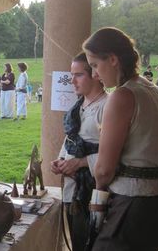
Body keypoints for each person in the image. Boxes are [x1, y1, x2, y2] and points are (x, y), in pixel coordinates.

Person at [83, 27, 158, 250]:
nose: (94, 74)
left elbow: (104, 170)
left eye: (95, 65)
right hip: (155, 202)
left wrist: (98, 199)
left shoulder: (122, 95)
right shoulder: (155, 91)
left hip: (131, 203)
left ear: (113, 59)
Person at [51, 52, 107, 251]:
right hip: (71, 189)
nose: (72, 80)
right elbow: (71, 140)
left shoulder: (107, 107)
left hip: (92, 192)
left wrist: (81, 163)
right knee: (76, 242)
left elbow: (117, 155)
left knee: (89, 243)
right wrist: (61, 161)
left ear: (95, 75)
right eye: (71, 74)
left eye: (79, 74)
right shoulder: (78, 105)